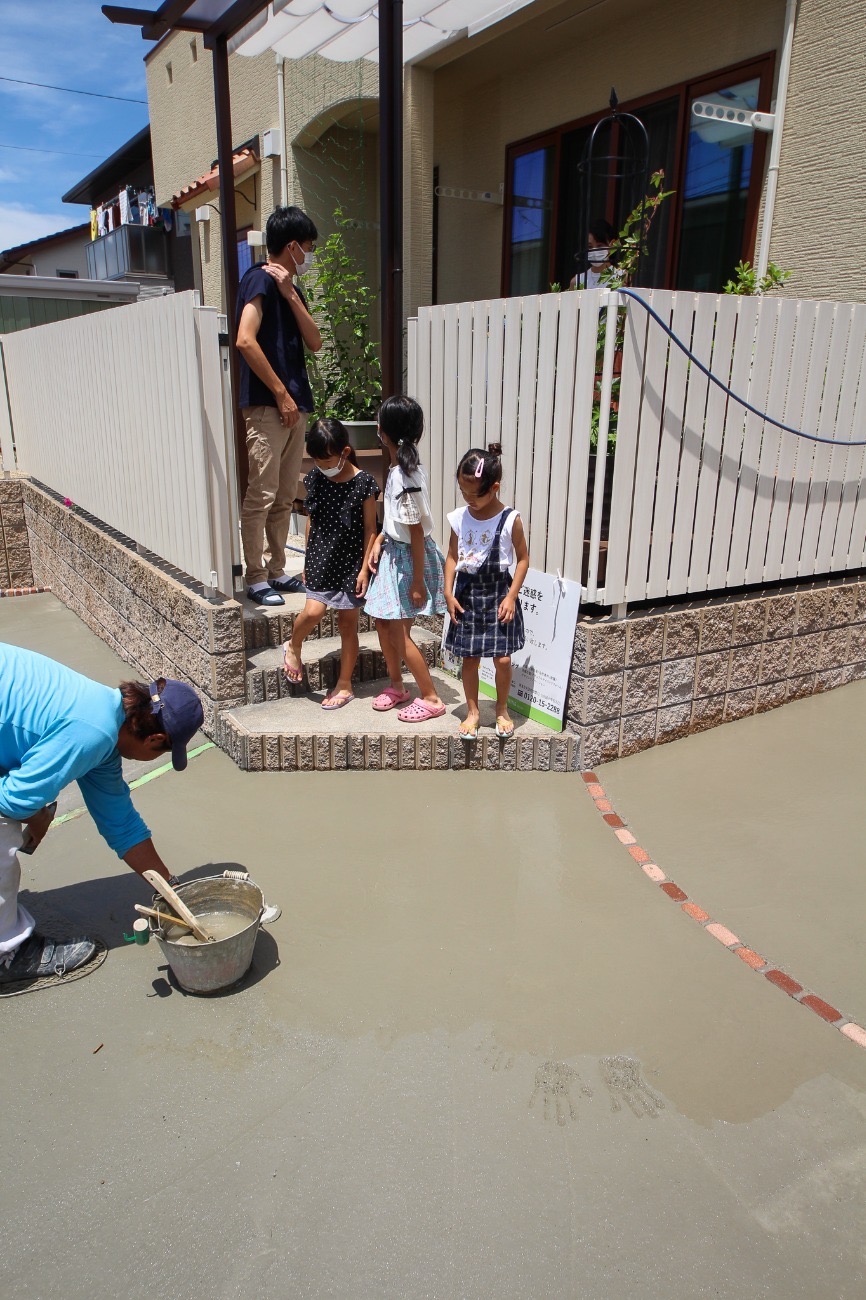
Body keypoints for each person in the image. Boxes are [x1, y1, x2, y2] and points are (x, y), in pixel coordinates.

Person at [0, 644, 204, 984]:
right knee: (4, 828)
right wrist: (35, 814)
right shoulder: (92, 732)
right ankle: (8, 952)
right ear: (153, 739)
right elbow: (14, 802)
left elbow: (121, 824)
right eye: (165, 753)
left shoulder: (106, 721)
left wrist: (171, 889)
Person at [237, 205, 323, 608]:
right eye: (306, 248)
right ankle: (255, 576)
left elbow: (315, 341)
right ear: (291, 247)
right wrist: (281, 394)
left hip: (294, 404)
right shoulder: (257, 279)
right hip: (269, 405)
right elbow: (245, 340)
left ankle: (276, 569)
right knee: (263, 493)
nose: (307, 256)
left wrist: (291, 292)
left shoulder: (288, 288)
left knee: (286, 493)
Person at [281, 418, 380, 709]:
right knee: (313, 611)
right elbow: (311, 519)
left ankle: (345, 684)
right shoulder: (315, 478)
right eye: (316, 460)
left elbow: (370, 530)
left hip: (351, 563)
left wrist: (364, 570)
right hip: (322, 559)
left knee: (348, 625)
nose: (321, 465)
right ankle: (294, 645)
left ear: (345, 452)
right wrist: (307, 559)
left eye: (326, 460)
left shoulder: (364, 483)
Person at [365, 396, 448, 723]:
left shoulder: (404, 477)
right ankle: (397, 685)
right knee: (385, 623)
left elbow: (416, 533)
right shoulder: (401, 470)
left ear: (382, 432)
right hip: (395, 555)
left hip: (408, 562)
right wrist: (381, 539)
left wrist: (416, 582)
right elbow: (401, 523)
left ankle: (430, 697)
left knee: (399, 631)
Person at [443, 444, 530, 740]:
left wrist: (512, 596)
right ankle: (473, 711)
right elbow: (453, 556)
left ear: (494, 488)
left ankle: (502, 708)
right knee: (470, 658)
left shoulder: (510, 519)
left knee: (503, 659)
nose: (468, 500)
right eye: (463, 492)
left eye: (474, 494)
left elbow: (523, 559)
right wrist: (447, 590)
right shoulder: (460, 517)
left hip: (498, 595)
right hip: (467, 595)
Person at [570, 217, 617, 290]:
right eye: (590, 246)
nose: (594, 250)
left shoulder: (621, 277)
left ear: (612, 245)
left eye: (600, 245)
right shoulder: (577, 281)